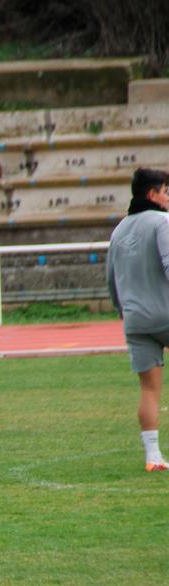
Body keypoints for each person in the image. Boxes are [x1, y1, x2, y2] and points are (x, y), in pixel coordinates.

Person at [106, 167, 169, 472]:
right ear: (152, 194)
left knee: (149, 389)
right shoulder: (163, 222)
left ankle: (153, 456)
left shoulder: (118, 230)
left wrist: (123, 311)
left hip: (136, 320)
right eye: (166, 191)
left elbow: (111, 281)